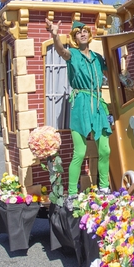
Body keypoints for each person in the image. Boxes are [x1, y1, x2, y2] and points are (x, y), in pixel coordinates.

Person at [45, 18, 111, 196]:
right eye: (78, 32)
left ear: (89, 35)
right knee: (80, 152)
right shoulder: (73, 54)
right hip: (80, 102)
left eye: (85, 31)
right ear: (75, 37)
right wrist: (55, 35)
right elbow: (61, 51)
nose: (82, 33)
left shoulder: (98, 58)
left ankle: (104, 187)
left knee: (105, 149)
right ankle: (73, 192)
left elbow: (113, 73)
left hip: (97, 103)